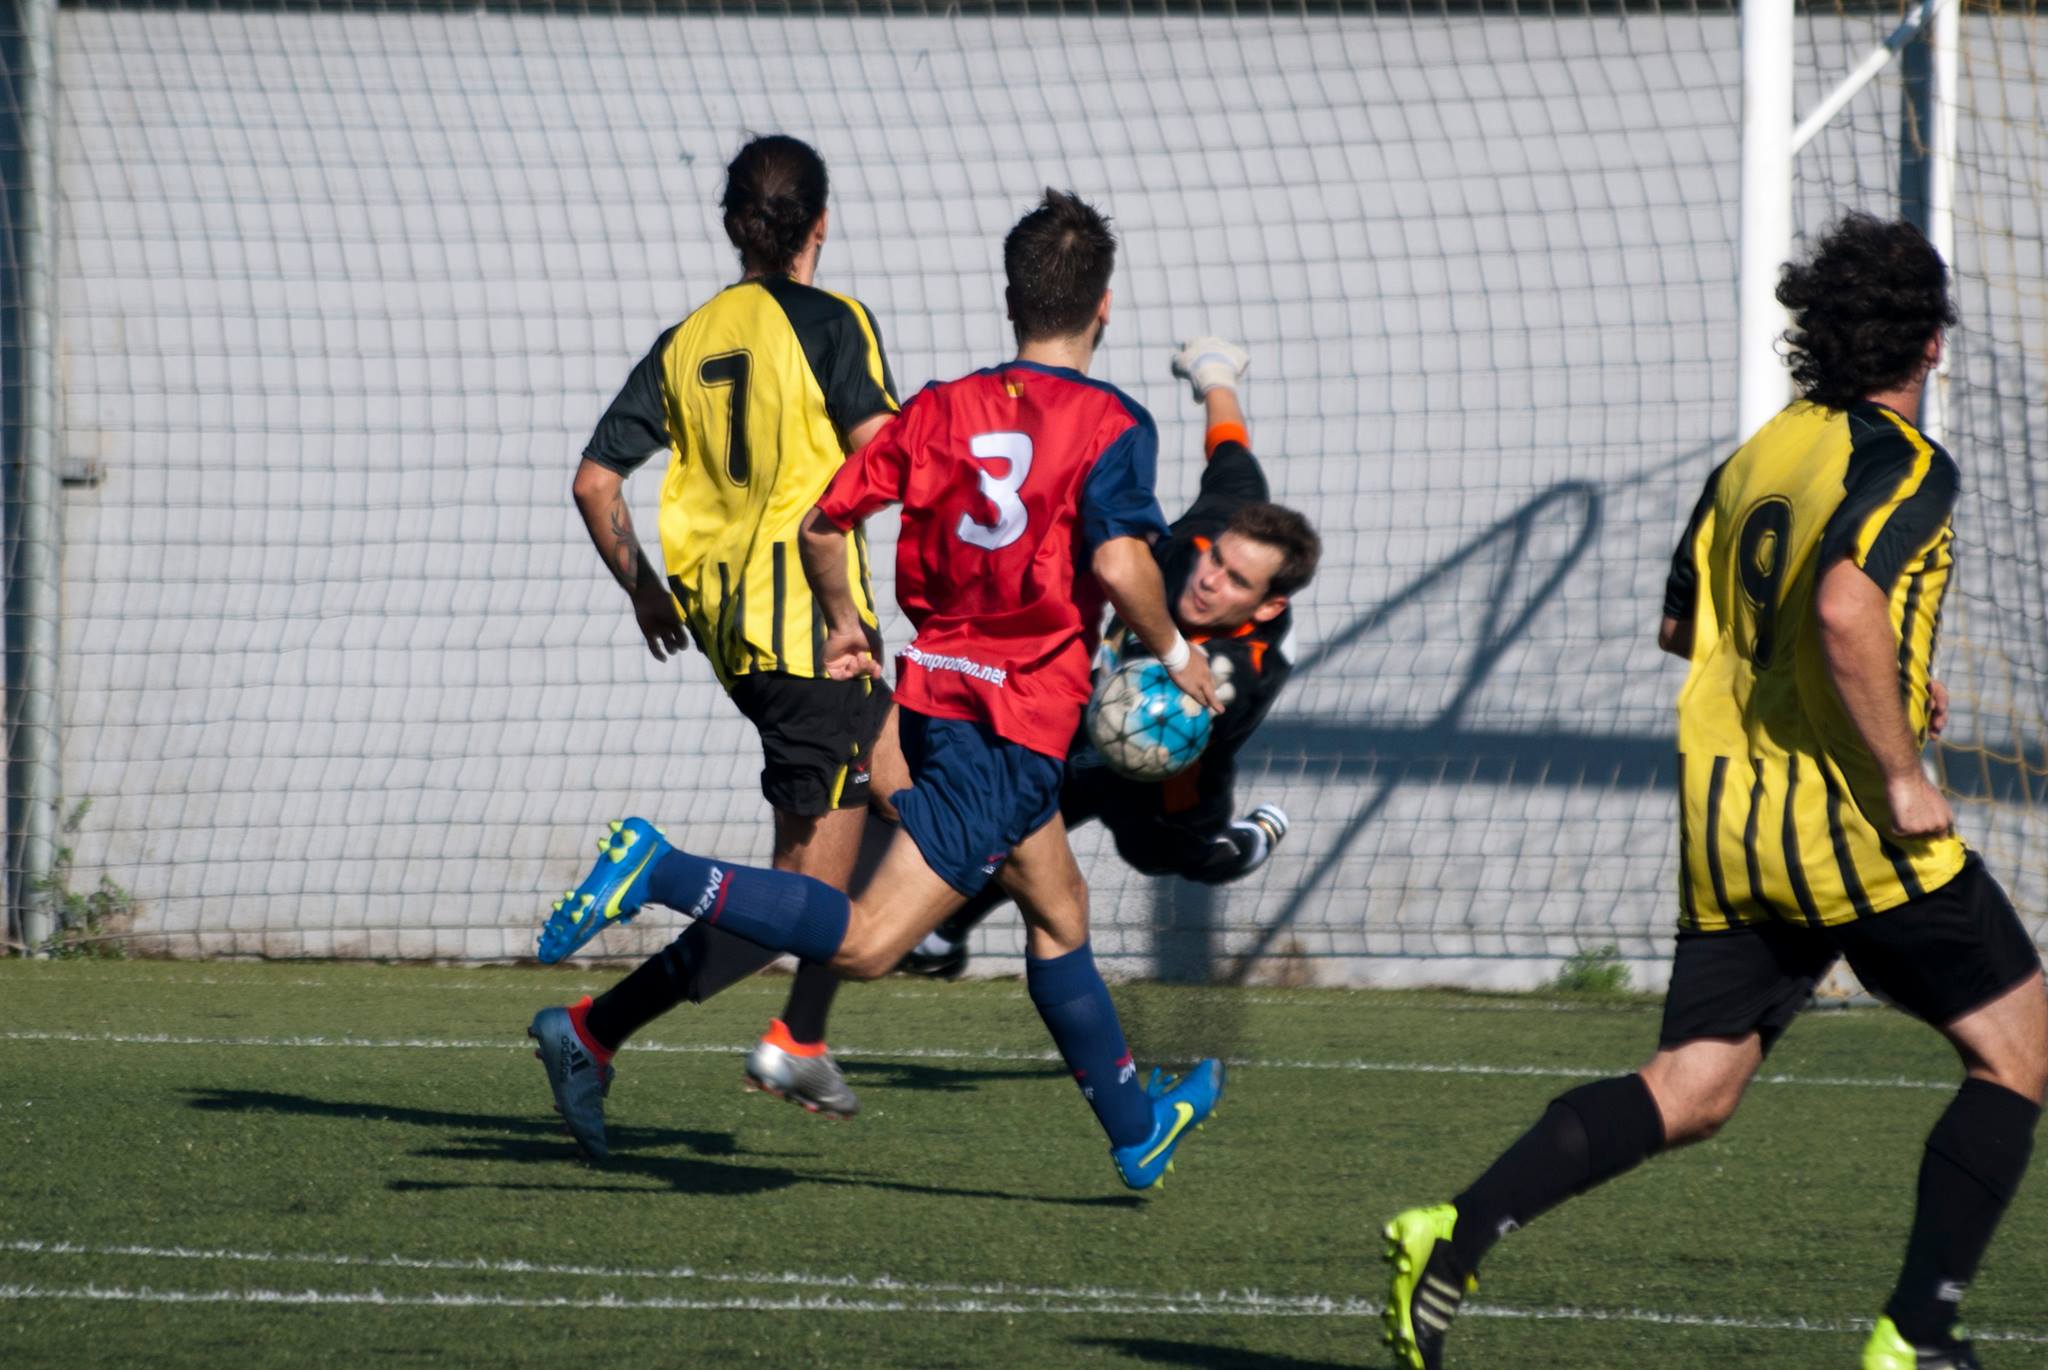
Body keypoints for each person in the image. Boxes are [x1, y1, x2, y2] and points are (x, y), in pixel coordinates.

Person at [1381, 213, 2046, 1370]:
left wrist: (1884, 682)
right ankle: (1917, 1332)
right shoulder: (1904, 466)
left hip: (1729, 835)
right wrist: (1897, 766)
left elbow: (1680, 624)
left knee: (1692, 1088)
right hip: (1849, 829)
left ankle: (1454, 1226)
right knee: (2020, 1055)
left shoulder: (1752, 458)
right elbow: (1843, 609)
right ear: (1928, 345)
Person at [530, 189, 1229, 1191]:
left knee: (1059, 905)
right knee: (857, 941)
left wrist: (846, 623)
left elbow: (825, 521)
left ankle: (1133, 1125)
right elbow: (1118, 565)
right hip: (1012, 724)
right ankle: (662, 867)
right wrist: (1175, 652)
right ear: (1103, 306)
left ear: (1006, 298)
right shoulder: (1113, 421)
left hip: (928, 697)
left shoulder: (942, 406)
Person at [533, 134, 900, 1139]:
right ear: (819, 222)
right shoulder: (833, 323)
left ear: (732, 224)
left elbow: (593, 481)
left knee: (907, 804)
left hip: (739, 637)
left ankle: (804, 1035)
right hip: (813, 642)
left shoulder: (685, 341)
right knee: (806, 900)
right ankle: (595, 1028)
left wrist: (647, 593)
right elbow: (885, 455)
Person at [857, 337, 1317, 995]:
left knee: (1158, 852)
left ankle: (1243, 844)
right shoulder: (1221, 525)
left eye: (1236, 581)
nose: (1211, 579)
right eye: (1216, 558)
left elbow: (1142, 731)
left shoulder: (1240, 673)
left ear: (1268, 607)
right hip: (1100, 713)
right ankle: (943, 933)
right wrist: (1214, 373)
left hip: (1171, 778)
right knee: (1034, 792)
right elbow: (1230, 449)